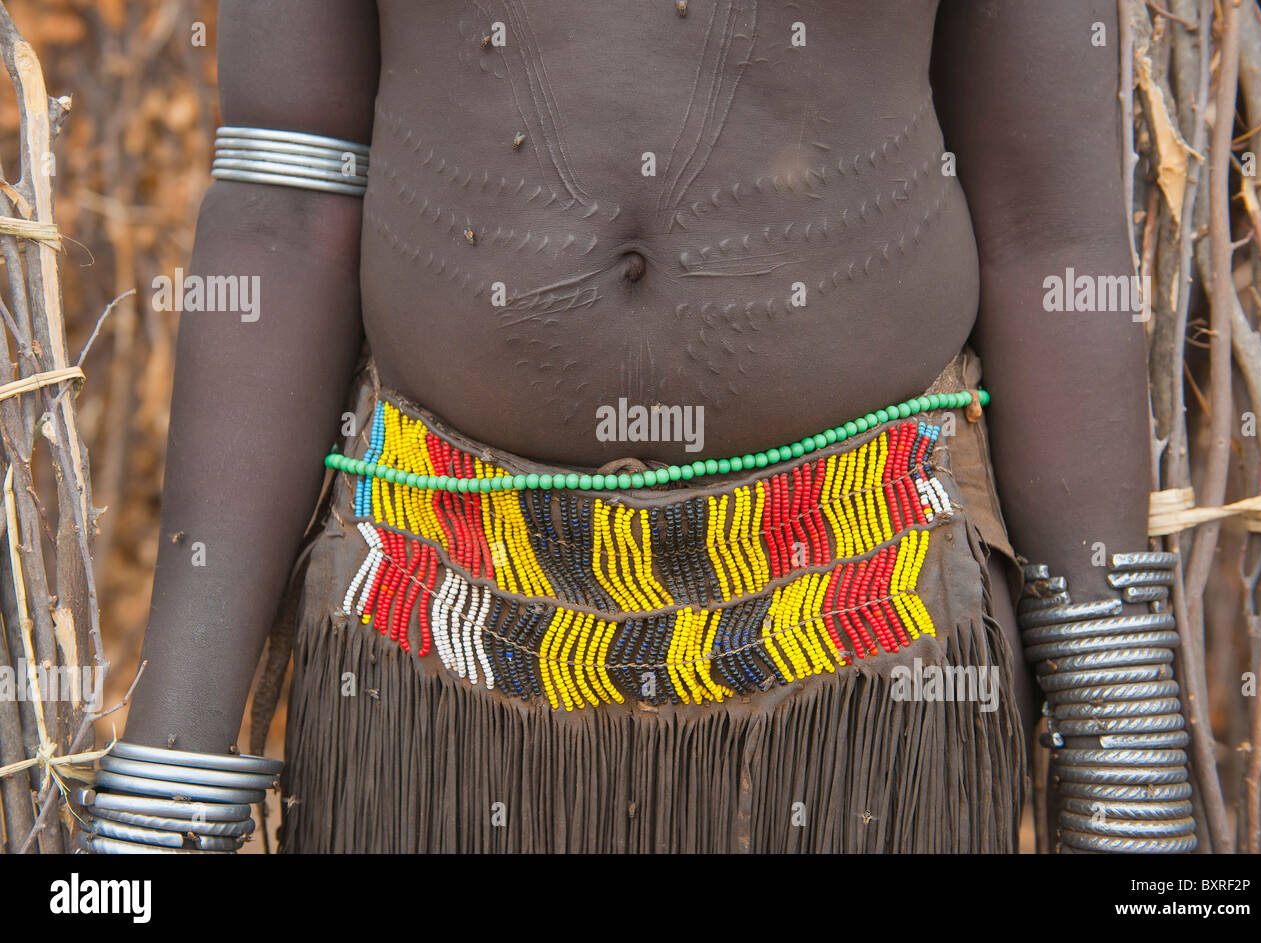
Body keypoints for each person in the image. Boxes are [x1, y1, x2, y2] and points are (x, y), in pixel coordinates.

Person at [81, 0, 1195, 854]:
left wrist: (1126, 761)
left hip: (874, 616)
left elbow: (1051, 233)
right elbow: (287, 206)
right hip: (427, 633)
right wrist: (164, 778)